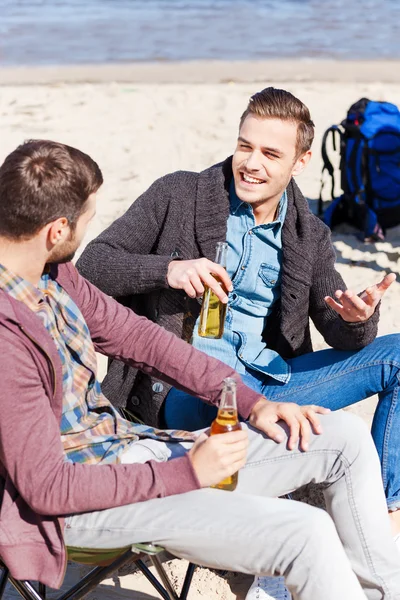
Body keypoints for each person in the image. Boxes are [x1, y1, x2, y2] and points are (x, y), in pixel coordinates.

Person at [0, 139, 399, 600]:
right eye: (87, 220)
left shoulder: (51, 275)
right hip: (82, 501)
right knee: (303, 530)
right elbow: (47, 489)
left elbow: (139, 338)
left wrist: (256, 403)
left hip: (128, 450)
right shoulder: (9, 337)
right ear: (57, 229)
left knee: (341, 438)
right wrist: (188, 472)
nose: (90, 231)